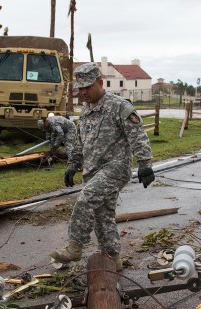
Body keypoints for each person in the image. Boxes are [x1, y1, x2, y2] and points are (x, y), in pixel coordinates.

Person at [50, 63, 154, 271]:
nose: (84, 92)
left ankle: (75, 245)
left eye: (88, 87)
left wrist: (145, 164)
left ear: (100, 82)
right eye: (80, 88)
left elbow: (138, 137)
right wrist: (73, 165)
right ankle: (113, 258)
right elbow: (80, 143)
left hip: (115, 169)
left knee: (86, 199)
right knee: (102, 216)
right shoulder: (86, 111)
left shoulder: (119, 107)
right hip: (92, 172)